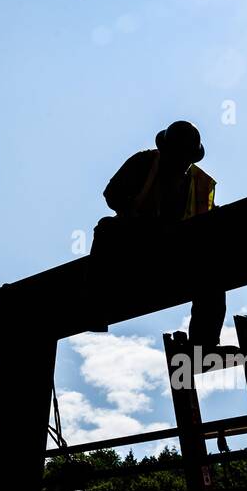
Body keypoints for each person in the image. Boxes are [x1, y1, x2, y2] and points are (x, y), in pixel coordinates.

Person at [89, 120, 226, 345]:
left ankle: (204, 343)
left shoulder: (197, 183)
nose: (180, 162)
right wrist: (136, 216)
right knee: (106, 229)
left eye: (185, 158)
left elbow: (204, 222)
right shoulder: (144, 162)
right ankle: (95, 306)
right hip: (136, 241)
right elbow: (112, 194)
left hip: (175, 249)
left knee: (213, 268)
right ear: (165, 150)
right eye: (176, 155)